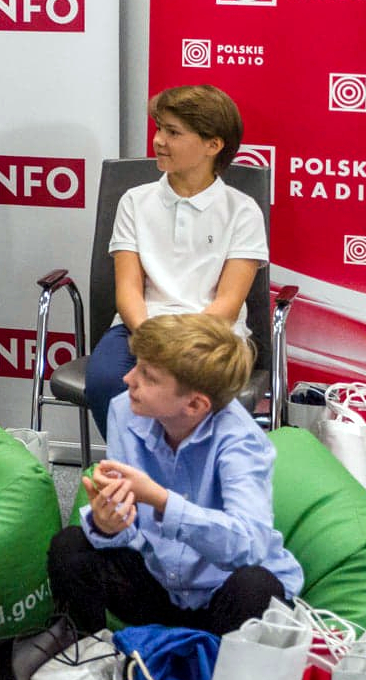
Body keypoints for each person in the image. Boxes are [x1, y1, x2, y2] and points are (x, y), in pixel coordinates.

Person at [47, 312, 301, 635]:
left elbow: (249, 545)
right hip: (160, 585)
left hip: (222, 595)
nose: (128, 379)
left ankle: (217, 667)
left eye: (148, 376)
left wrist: (161, 500)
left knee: (256, 587)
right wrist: (109, 525)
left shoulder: (241, 440)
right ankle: (85, 654)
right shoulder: (124, 409)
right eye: (136, 365)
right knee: (70, 546)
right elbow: (127, 528)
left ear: (194, 405)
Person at [86, 84, 266, 437]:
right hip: (140, 327)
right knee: (106, 380)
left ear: (213, 145)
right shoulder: (134, 201)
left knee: (186, 392)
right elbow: (128, 291)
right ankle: (133, 465)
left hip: (212, 334)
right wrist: (152, 340)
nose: (158, 141)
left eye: (173, 132)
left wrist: (177, 348)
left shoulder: (242, 211)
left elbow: (228, 304)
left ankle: (179, 467)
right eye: (159, 129)